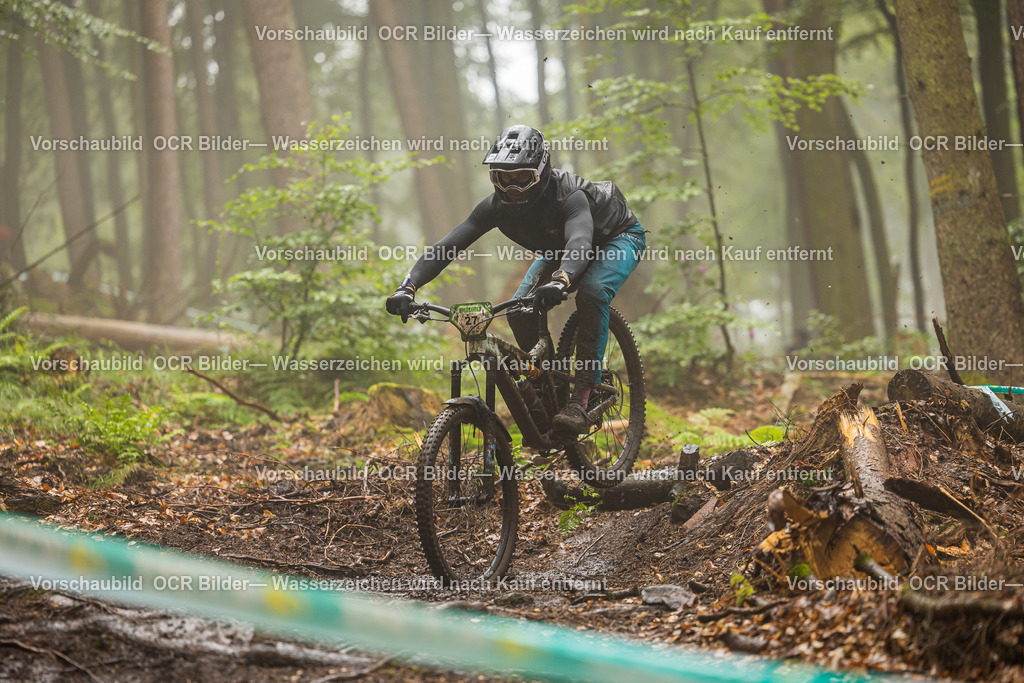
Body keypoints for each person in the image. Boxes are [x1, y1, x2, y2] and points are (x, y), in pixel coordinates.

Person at [386, 125, 646, 434]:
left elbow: (579, 240)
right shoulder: (494, 208)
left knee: (590, 292)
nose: (512, 187)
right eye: (502, 177)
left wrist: (561, 280)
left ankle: (585, 393)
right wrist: (408, 286)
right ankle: (548, 384)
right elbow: (448, 246)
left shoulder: (569, 196)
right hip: (560, 247)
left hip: (616, 238)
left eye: (522, 178)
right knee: (519, 309)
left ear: (541, 171)